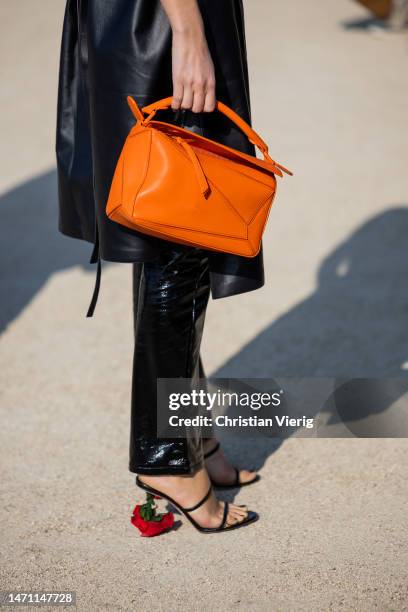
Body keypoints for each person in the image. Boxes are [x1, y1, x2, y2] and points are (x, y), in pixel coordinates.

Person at [56, 0, 261, 533]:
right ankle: (166, 457)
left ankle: (193, 435)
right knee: (182, 231)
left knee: (171, 230)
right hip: (159, 22)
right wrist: (188, 31)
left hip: (151, 19)